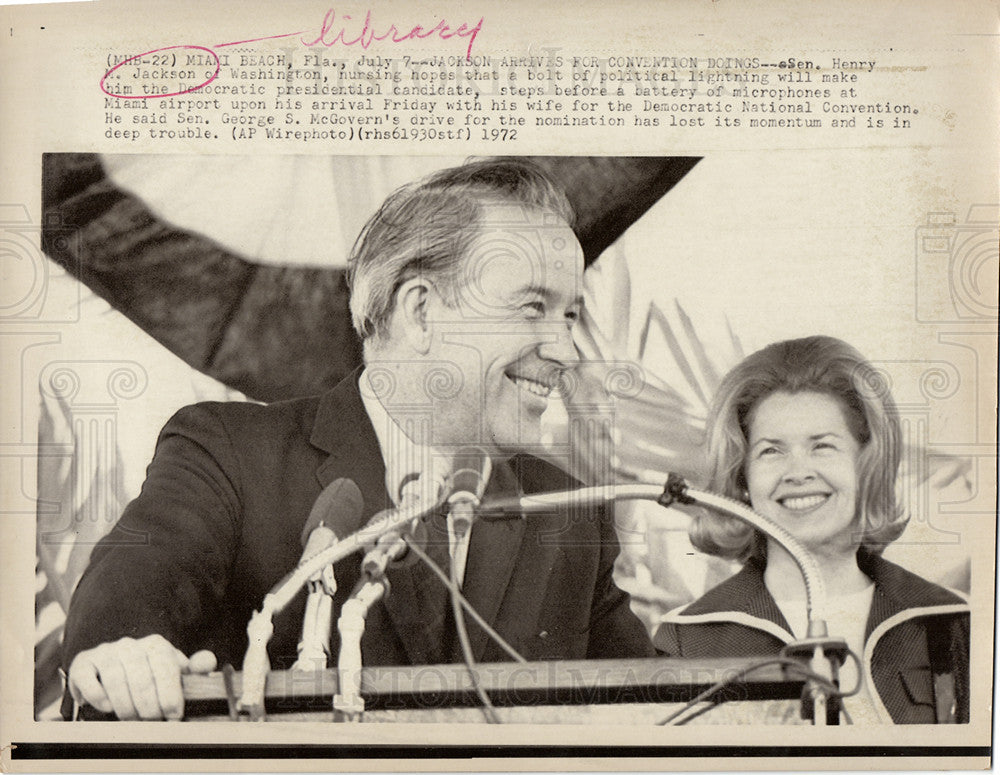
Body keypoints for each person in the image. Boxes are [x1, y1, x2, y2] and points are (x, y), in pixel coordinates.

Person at [62, 159, 654, 720]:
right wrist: (127, 658)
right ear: (422, 311)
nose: (566, 351)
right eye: (533, 307)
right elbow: (116, 631)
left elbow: (655, 713)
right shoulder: (229, 455)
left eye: (570, 315)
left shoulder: (572, 514)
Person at [653, 336, 969, 724]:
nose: (798, 473)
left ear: (867, 464)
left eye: (822, 446)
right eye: (772, 450)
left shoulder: (951, 621)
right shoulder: (689, 638)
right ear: (743, 478)